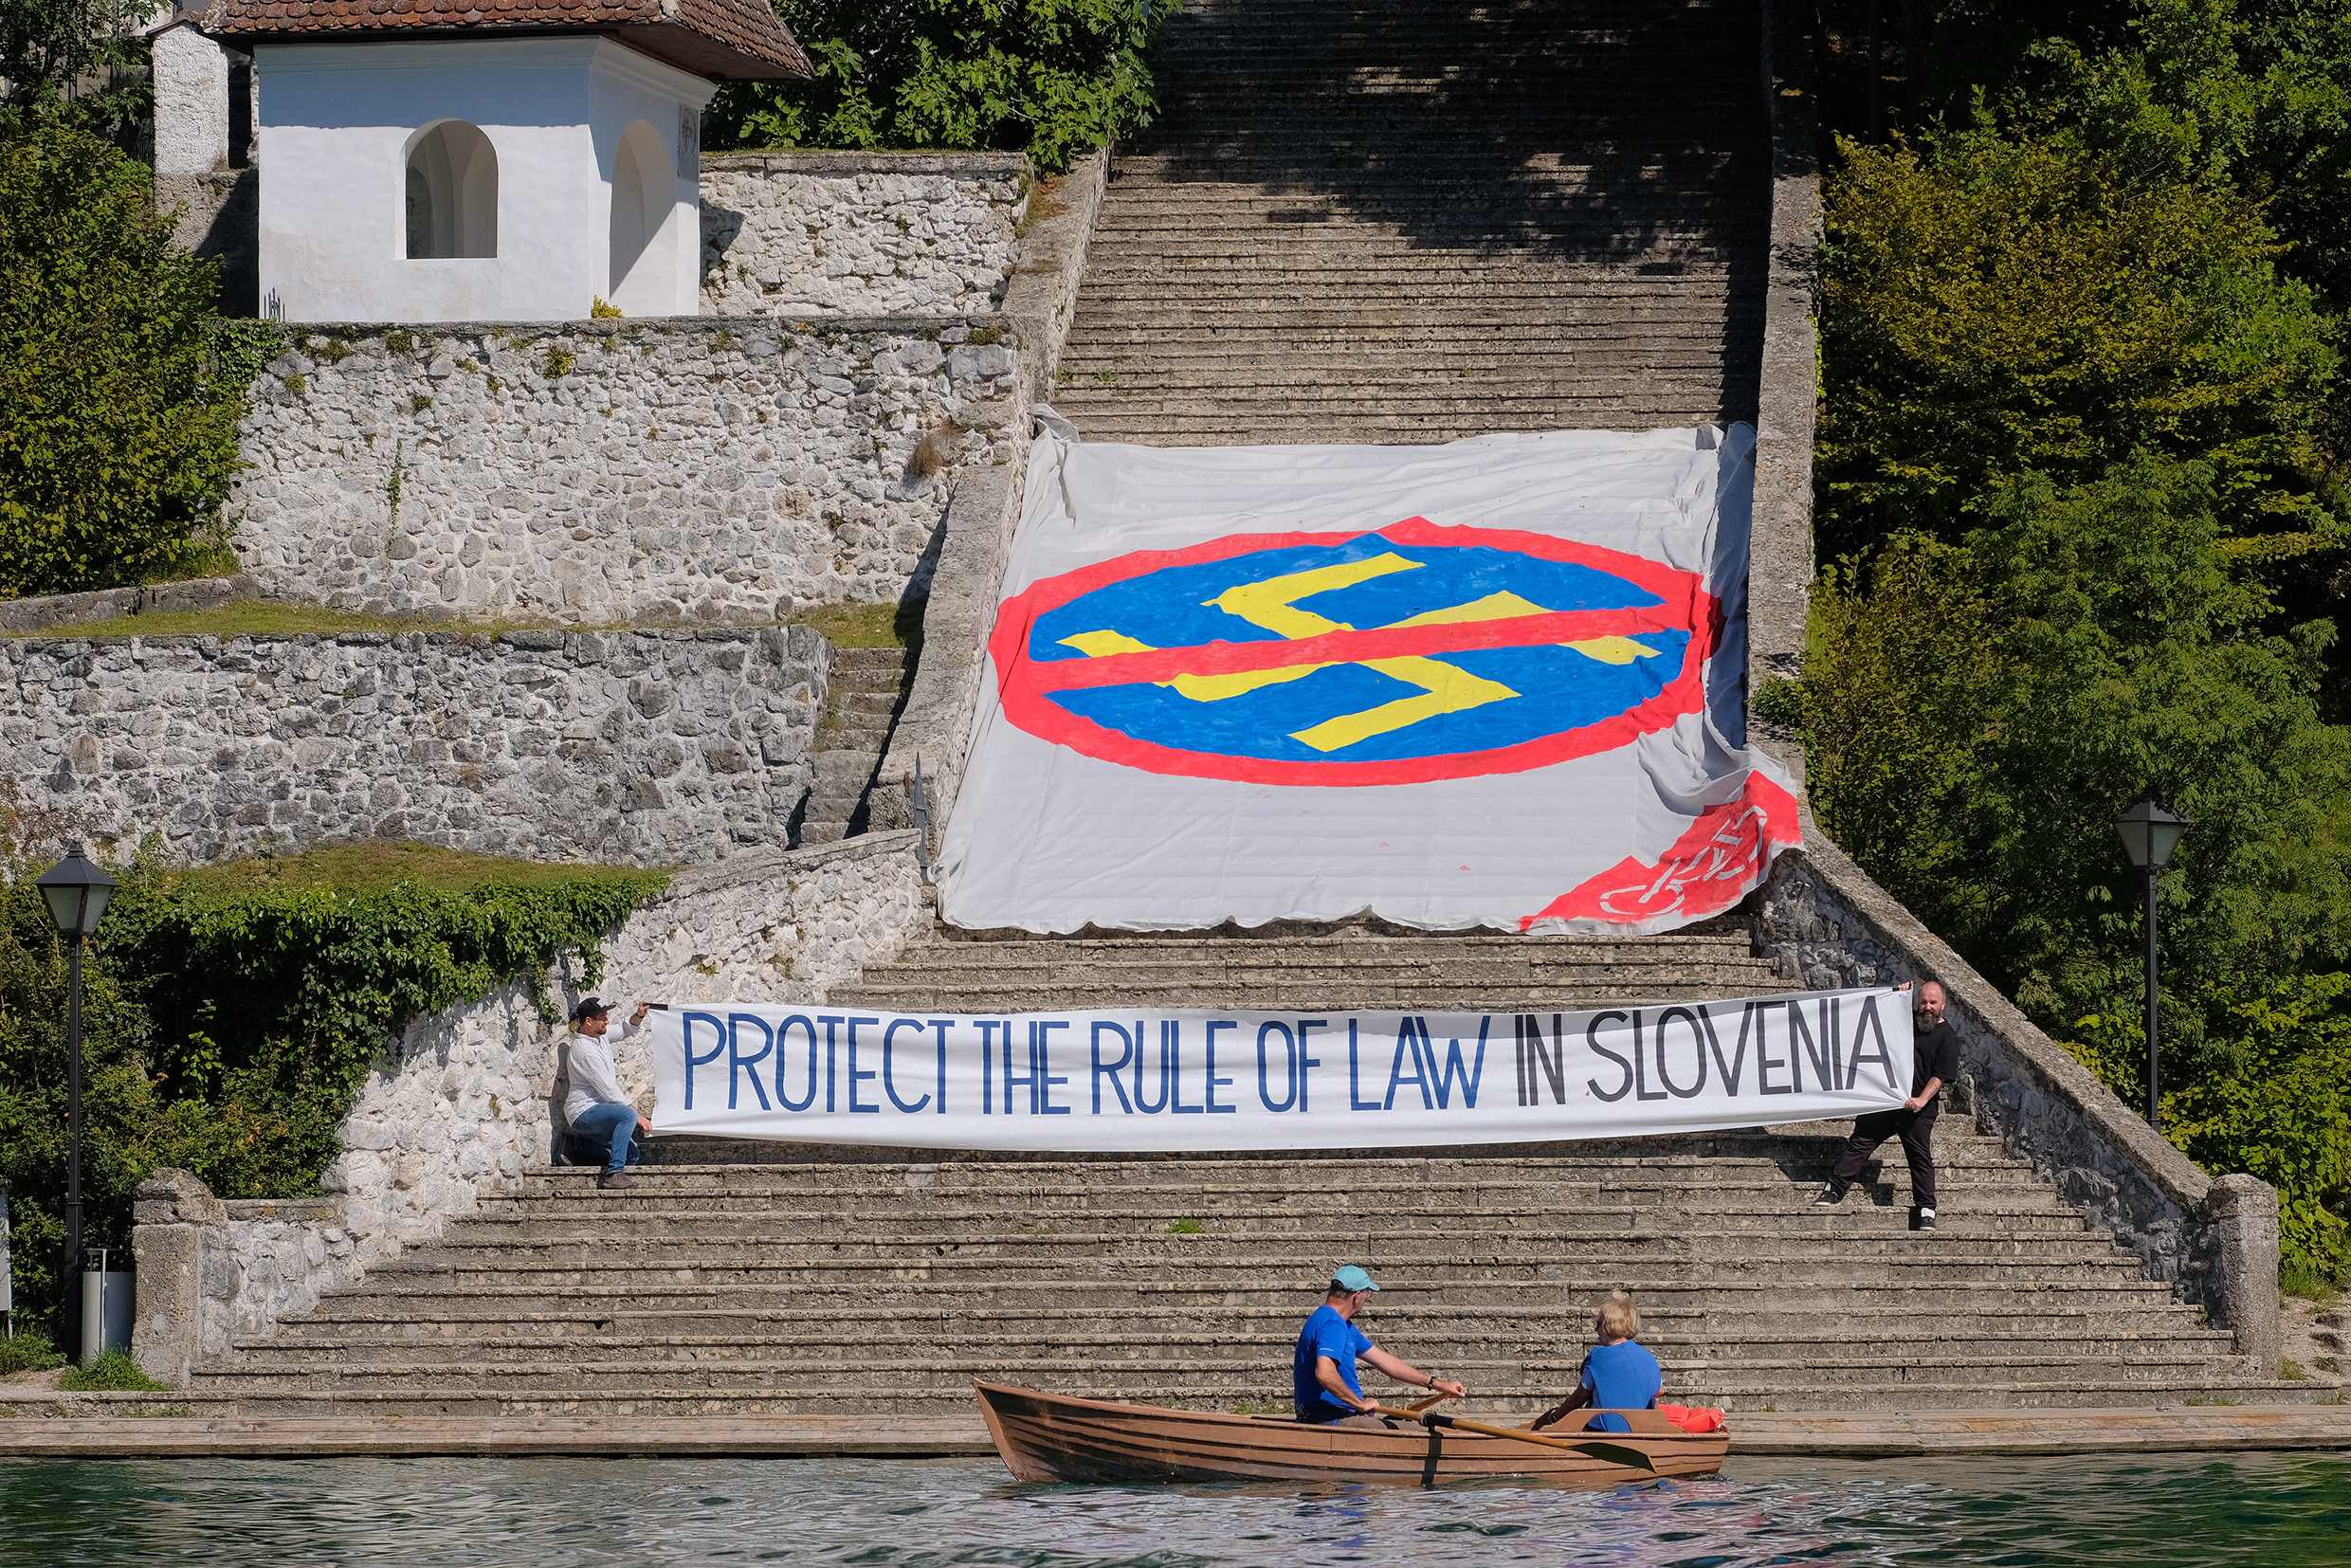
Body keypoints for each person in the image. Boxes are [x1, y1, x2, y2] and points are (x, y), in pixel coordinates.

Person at [1813, 979, 1962, 1230]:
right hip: (1885, 1100)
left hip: (1918, 1108)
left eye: (1933, 1003)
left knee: (1919, 1158)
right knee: (1860, 1143)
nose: (1927, 1007)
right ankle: (1834, 1189)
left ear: (1943, 1005)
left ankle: (1926, 1209)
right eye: (1923, 1001)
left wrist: (1922, 1100)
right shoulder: (1906, 1019)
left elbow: (1940, 1076)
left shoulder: (1947, 1037)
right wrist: (1895, 994)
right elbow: (1873, 1013)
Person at [1292, 1265, 1468, 1426]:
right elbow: (1325, 1374)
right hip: (1332, 1417)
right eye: (1367, 1295)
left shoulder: (1339, 1324)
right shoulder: (1333, 1324)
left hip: (1336, 1414)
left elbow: (1387, 1363)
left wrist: (1438, 1384)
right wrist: (1359, 1404)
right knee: (1421, 1432)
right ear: (1357, 1296)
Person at [1533, 1290, 1661, 1434]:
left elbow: (1579, 1398)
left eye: (1599, 1324)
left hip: (1602, 1431)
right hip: (1638, 1431)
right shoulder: (1648, 1357)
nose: (1595, 1329)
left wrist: (1555, 1418)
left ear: (1610, 1325)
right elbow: (1658, 1390)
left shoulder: (1598, 1357)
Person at [560, 996, 652, 1190]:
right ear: (589, 1021)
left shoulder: (599, 1035)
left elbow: (626, 1029)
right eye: (603, 1018)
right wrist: (639, 1117)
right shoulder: (584, 1050)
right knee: (627, 1115)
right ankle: (614, 1175)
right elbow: (609, 1091)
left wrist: (639, 1015)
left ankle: (577, 1147)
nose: (607, 1021)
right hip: (583, 1112)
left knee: (632, 1156)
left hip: (600, 1112)